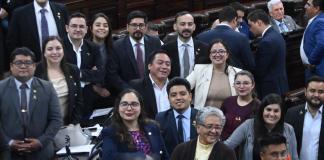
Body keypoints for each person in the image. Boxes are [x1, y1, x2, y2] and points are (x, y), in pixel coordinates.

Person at [0, 47, 62, 159]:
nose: (23, 66)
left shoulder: (47, 88)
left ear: (34, 66)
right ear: (11, 66)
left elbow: (56, 119)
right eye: (18, 62)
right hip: (8, 153)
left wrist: (41, 141)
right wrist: (8, 142)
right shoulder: (1, 88)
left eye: (28, 63)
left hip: (41, 153)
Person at [224, 94, 298, 160]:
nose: (272, 114)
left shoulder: (289, 129)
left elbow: (294, 157)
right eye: (268, 110)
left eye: (276, 111)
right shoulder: (248, 125)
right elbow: (226, 147)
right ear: (262, 110)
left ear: (281, 113)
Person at [101, 89, 169, 160]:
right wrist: (141, 157)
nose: (129, 108)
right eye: (124, 104)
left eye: (134, 104)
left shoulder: (152, 127)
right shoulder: (110, 132)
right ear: (118, 108)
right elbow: (108, 157)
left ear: (141, 107)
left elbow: (164, 156)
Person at [35, 36, 82, 125]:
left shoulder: (73, 70)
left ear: (63, 51)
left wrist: (74, 123)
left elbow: (79, 100)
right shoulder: (35, 71)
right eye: (50, 49)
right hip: (42, 127)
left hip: (68, 125)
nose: (54, 52)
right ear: (44, 53)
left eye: (58, 48)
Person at [64, 12, 104, 117]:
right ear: (67, 28)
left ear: (86, 29)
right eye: (74, 26)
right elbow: (61, 72)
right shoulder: (59, 47)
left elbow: (100, 75)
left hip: (87, 96)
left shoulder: (93, 48)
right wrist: (89, 73)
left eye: (81, 26)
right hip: (66, 95)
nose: (78, 29)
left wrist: (77, 73)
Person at [111, 10, 161, 93]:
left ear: (146, 27)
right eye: (134, 25)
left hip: (153, 90)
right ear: (127, 27)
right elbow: (113, 74)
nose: (138, 28)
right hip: (127, 92)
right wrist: (128, 91)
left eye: (141, 25)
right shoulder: (117, 46)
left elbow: (159, 66)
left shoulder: (155, 42)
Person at [186, 39, 241, 109]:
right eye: (214, 52)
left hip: (229, 118)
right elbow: (184, 86)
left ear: (227, 55)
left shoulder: (237, 73)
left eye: (221, 51)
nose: (217, 54)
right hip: (203, 117)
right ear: (209, 55)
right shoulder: (199, 70)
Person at [197, 6, 254, 72]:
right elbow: (250, 65)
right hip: (234, 79)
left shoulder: (201, 37)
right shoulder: (241, 38)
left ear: (220, 20)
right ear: (234, 20)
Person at [247, 9, 289, 99]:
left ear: (259, 22)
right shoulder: (276, 34)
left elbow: (260, 70)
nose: (250, 29)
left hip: (270, 89)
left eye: (250, 25)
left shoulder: (266, 42)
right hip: (280, 84)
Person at [171, 106, 236, 160]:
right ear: (198, 128)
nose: (213, 131)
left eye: (218, 127)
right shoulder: (181, 150)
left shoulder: (227, 153)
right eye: (209, 126)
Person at [155, 77, 198, 155]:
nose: (178, 98)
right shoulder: (161, 118)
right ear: (168, 98)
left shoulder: (201, 116)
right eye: (173, 95)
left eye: (183, 94)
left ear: (190, 96)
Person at [285, 76, 324, 160]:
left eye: (320, 92)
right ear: (305, 92)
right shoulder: (292, 113)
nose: (316, 95)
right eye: (312, 91)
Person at [161, 11, 208, 79]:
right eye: (182, 24)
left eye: (190, 24)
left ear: (194, 27)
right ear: (175, 26)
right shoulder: (165, 49)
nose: (186, 27)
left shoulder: (204, 48)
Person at [130, 50, 171, 118]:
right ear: (149, 66)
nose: (164, 67)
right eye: (160, 63)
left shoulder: (174, 86)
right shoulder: (136, 86)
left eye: (168, 64)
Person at [221, 70, 260, 140]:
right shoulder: (228, 101)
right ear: (234, 85)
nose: (241, 86)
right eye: (238, 83)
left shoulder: (258, 106)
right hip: (224, 145)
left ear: (253, 85)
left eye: (246, 83)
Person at [300, 0, 324, 78]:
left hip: (316, 70)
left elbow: (322, 43)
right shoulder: (318, 19)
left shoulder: (319, 22)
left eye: (308, 5)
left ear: (317, 8)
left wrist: (311, 61)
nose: (305, 7)